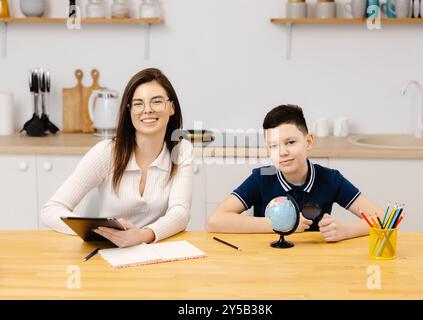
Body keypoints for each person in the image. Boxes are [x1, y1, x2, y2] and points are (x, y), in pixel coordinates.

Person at [41, 68, 193, 247]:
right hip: (109, 253)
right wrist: (104, 232)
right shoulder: (106, 153)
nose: (147, 110)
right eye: (138, 104)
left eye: (157, 102)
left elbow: (180, 213)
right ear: (129, 112)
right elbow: (51, 210)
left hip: (156, 253)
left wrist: (143, 235)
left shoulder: (181, 150)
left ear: (172, 107)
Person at [207, 104, 383, 242]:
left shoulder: (329, 178)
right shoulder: (262, 176)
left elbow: (382, 219)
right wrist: (282, 225)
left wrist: (345, 231)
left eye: (290, 142)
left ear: (309, 141)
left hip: (314, 266)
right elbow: (215, 220)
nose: (282, 152)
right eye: (273, 146)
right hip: (269, 265)